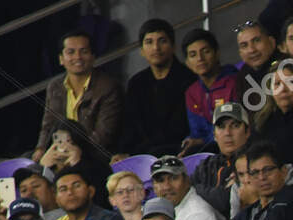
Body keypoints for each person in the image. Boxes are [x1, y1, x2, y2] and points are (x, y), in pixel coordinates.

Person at [31, 30, 122, 163]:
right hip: (62, 150)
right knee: (29, 161)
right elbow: (48, 124)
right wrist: (40, 149)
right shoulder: (55, 86)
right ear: (61, 59)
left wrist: (75, 153)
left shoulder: (108, 87)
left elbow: (104, 135)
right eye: (71, 52)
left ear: (93, 56)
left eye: (84, 51)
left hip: (94, 154)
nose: (78, 57)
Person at [121, 19, 195, 157]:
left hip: (178, 152)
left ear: (173, 46)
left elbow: (179, 129)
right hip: (141, 154)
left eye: (162, 41)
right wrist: (125, 153)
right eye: (149, 42)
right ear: (141, 50)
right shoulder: (136, 83)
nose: (156, 48)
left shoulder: (188, 79)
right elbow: (130, 127)